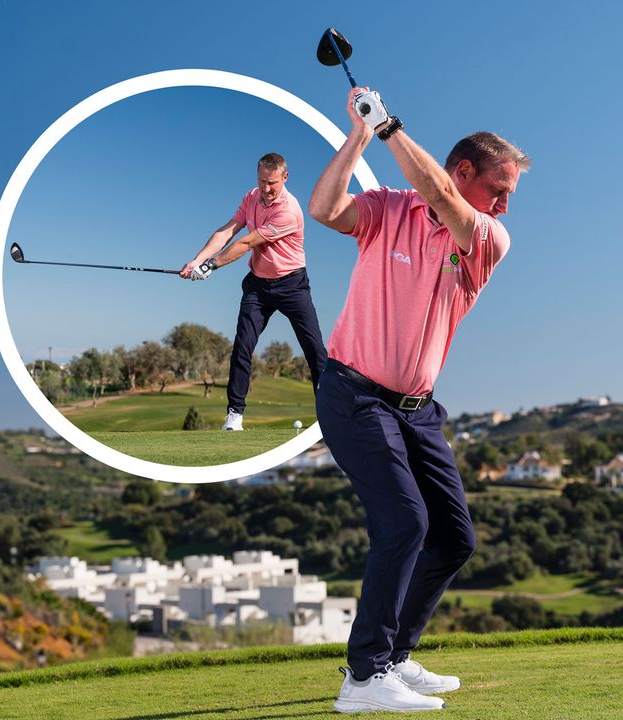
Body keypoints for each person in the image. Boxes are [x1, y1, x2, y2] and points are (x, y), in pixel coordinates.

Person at [309, 86, 527, 714]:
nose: (505, 206)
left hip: (418, 409)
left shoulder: (485, 236)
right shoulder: (387, 208)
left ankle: (395, 659)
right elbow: (325, 207)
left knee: (453, 538)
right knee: (405, 523)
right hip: (353, 394)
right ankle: (363, 677)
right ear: (465, 171)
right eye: (500, 189)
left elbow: (441, 198)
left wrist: (390, 128)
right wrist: (358, 133)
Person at [179, 153, 327, 431]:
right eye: (262, 181)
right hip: (259, 285)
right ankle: (234, 415)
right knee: (242, 347)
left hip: (292, 285)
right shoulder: (251, 197)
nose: (267, 188)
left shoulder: (289, 211)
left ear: (285, 178)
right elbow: (228, 232)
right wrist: (197, 260)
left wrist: (211, 265)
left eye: (272, 183)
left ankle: (329, 415)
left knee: (315, 351)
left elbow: (247, 242)